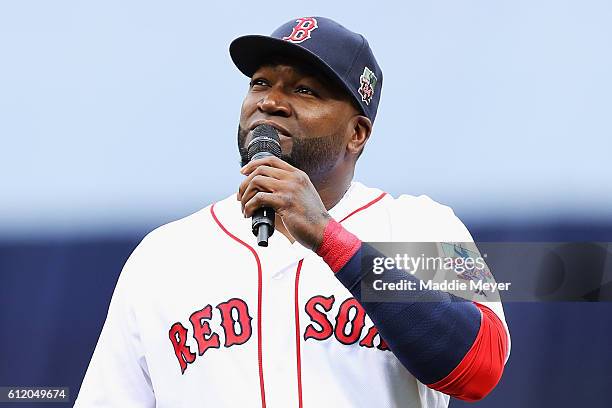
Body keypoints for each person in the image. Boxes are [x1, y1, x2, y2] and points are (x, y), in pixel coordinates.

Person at [75, 16, 510, 407]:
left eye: (305, 90)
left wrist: (327, 236)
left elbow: (482, 365)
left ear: (356, 133)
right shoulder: (163, 255)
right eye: (260, 83)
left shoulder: (424, 224)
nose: (271, 102)